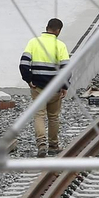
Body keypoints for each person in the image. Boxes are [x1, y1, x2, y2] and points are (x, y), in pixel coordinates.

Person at [19, 18, 70, 156]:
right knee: (53, 117)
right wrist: (65, 86)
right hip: (55, 89)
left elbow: (23, 64)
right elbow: (66, 68)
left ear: (46, 27)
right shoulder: (60, 45)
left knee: (39, 116)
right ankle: (53, 146)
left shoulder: (33, 42)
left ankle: (41, 145)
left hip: (38, 88)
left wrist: (28, 80)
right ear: (58, 31)